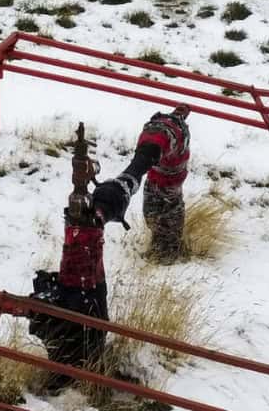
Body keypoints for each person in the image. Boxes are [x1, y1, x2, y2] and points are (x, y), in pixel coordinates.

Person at [26, 125, 109, 380]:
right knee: (85, 323)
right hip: (84, 291)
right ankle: (79, 371)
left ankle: (72, 370)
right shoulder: (87, 222)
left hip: (81, 289)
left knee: (81, 319)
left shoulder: (84, 226)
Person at [107, 103, 191, 260]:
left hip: (168, 184)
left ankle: (168, 255)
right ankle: (163, 250)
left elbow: (147, 155)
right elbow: (145, 156)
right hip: (158, 178)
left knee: (167, 222)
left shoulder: (166, 136)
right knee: (153, 215)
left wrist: (130, 176)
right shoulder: (160, 135)